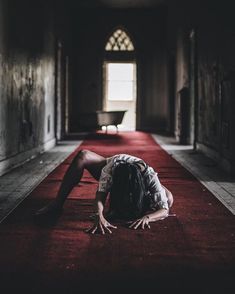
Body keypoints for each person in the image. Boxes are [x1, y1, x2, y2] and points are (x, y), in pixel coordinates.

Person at [35, 150, 173, 234]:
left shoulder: (149, 175)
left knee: (168, 198)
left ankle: (142, 204)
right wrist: (99, 215)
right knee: (83, 155)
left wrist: (147, 217)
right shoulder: (109, 171)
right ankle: (57, 203)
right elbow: (100, 197)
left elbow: (164, 210)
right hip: (109, 163)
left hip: (143, 183)